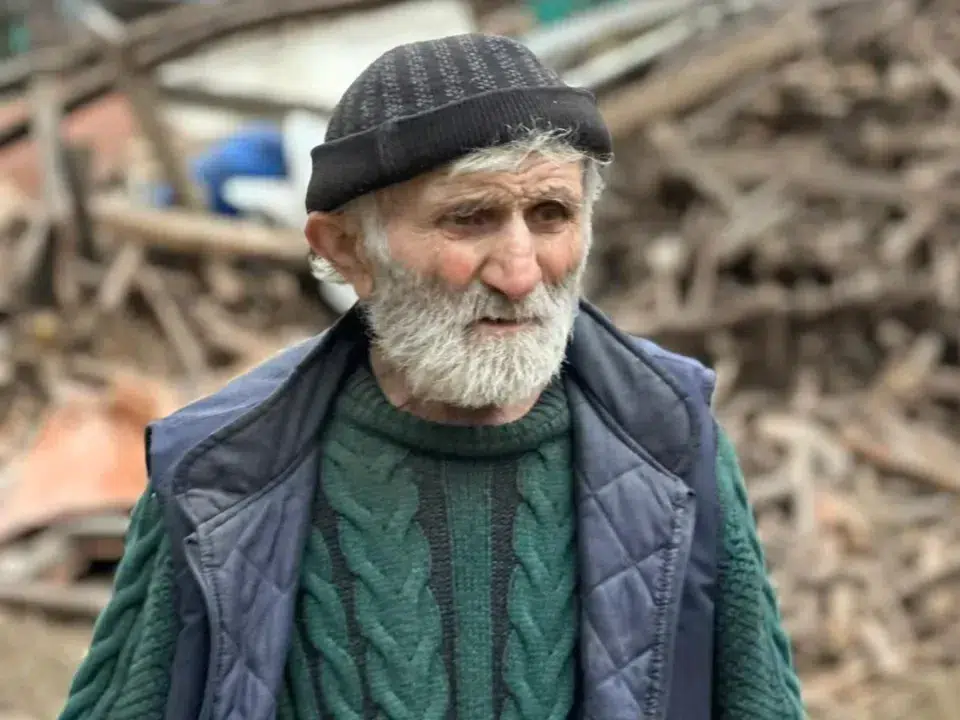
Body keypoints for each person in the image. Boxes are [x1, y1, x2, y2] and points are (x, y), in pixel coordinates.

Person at [56, 34, 804, 720]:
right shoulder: (223, 476)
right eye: (470, 218)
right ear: (347, 249)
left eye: (550, 214)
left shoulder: (669, 445)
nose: (520, 273)